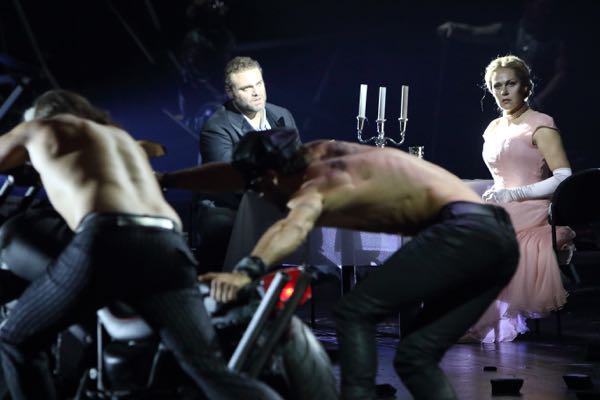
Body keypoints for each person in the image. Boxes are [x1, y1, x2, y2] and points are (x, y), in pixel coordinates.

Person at [160, 128, 520, 400]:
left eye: (258, 189)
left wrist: (246, 271)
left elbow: (291, 228)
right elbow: (232, 173)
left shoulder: (318, 187)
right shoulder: (317, 152)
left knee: (354, 312)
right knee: (415, 355)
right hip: (498, 238)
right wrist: (165, 180)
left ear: (270, 178)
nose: (260, 196)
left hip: (464, 232)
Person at [0, 89, 281, 400]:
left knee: (16, 339)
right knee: (209, 369)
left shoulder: (38, 128)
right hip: (168, 241)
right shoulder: (120, 139)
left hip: (109, 237)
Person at [461, 55, 574, 343]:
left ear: (526, 87)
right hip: (500, 206)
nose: (503, 92)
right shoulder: (493, 128)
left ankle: (476, 325)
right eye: (497, 86)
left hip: (532, 208)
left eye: (510, 84)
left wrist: (514, 194)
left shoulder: (540, 124)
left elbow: (564, 177)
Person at [194, 56, 299, 272]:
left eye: (259, 84)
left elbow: (298, 160)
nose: (256, 92)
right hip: (232, 208)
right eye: (246, 88)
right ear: (230, 92)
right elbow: (233, 180)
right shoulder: (216, 127)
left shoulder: (282, 115)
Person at [437, 0, 568, 114]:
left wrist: (538, 101)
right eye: (542, 7)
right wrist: (453, 27)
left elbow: (561, 73)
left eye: (549, 8)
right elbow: (475, 32)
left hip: (537, 106)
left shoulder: (554, 42)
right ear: (528, 5)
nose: (546, 12)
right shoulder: (511, 31)